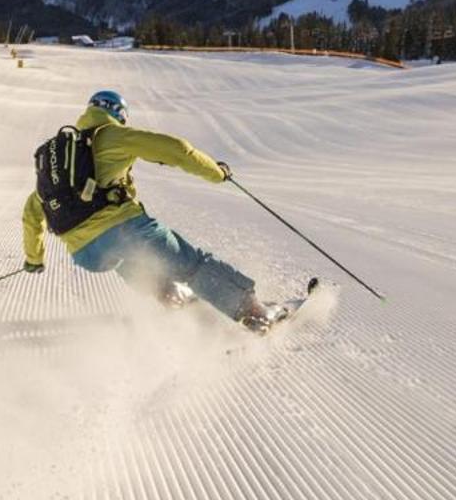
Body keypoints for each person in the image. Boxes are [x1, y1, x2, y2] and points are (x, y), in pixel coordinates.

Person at [21, 89, 284, 331]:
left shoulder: (65, 162)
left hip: (86, 254)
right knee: (192, 265)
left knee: (133, 262)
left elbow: (32, 212)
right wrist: (217, 173)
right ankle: (255, 313)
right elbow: (177, 149)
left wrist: (34, 259)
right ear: (118, 114)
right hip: (123, 229)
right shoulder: (112, 136)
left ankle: (180, 303)